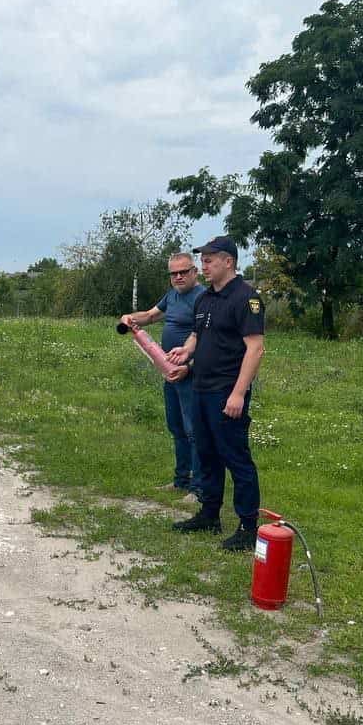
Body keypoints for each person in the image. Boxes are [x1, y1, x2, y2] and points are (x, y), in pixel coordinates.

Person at [166, 236, 265, 551]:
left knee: (236, 458)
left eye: (208, 260)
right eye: (203, 260)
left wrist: (238, 394)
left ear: (228, 262)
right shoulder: (205, 298)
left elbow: (255, 349)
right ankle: (209, 514)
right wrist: (185, 351)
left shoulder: (246, 298)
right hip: (200, 388)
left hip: (226, 392)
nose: (203, 266)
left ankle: (248, 528)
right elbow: (198, 333)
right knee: (206, 455)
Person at [121, 253, 207, 503]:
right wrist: (130, 318)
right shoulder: (172, 295)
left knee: (194, 431)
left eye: (184, 272)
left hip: (190, 373)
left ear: (195, 272)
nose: (178, 277)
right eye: (173, 273)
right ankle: (181, 480)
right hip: (169, 371)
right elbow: (149, 315)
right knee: (177, 427)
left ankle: (199, 488)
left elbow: (206, 337)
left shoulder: (202, 298)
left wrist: (189, 366)